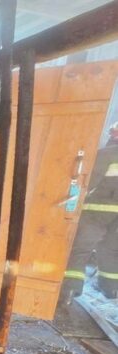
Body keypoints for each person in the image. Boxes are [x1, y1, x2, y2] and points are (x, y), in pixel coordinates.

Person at [61, 122, 118, 303]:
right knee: (110, 250)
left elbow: (87, 182)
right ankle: (111, 290)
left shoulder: (107, 154)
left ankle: (70, 290)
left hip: (96, 212)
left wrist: (71, 201)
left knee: (80, 250)